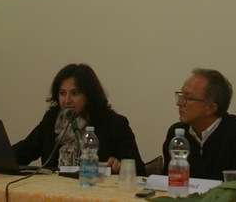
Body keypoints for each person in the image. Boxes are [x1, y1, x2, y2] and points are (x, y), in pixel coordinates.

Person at [12, 63, 146, 174]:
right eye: (62, 93)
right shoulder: (52, 121)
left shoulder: (113, 124)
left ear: (89, 95)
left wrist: (120, 167)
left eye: (75, 93)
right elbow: (23, 152)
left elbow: (140, 170)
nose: (67, 100)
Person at [162, 68, 236, 180]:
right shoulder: (177, 135)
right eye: (181, 95)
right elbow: (165, 183)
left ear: (210, 108)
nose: (179, 103)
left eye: (188, 98)